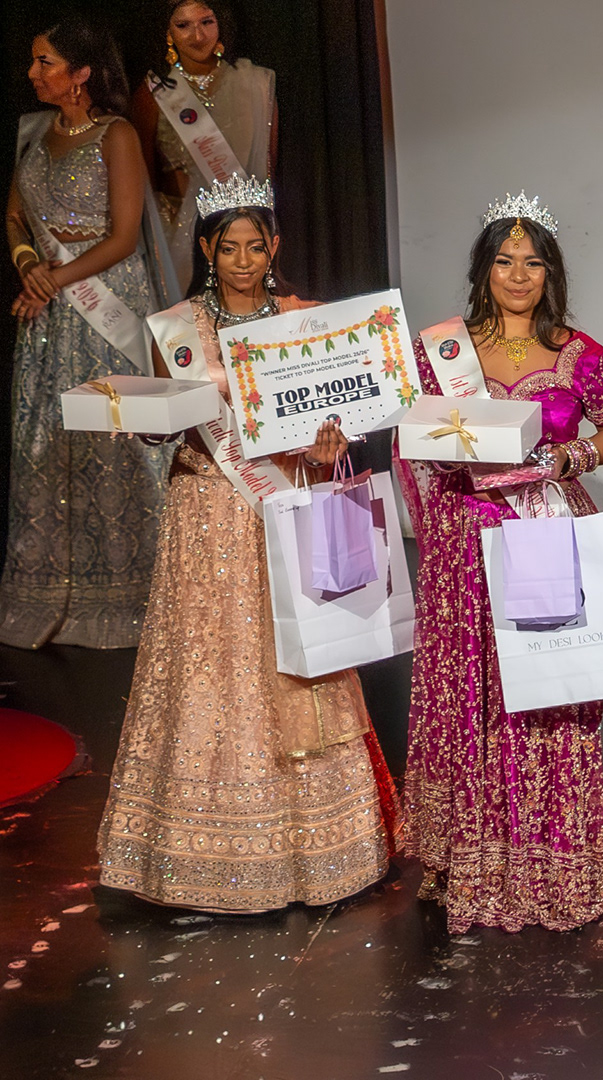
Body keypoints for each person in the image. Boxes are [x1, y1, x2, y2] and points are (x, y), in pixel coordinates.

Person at [97, 175, 393, 912]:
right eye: (227, 247)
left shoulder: (304, 320)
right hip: (205, 506)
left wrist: (332, 444)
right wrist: (141, 419)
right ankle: (197, 846)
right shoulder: (176, 329)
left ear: (275, 246)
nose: (242, 260)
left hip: (286, 500)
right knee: (209, 658)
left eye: (255, 246)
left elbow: (343, 413)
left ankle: (319, 846)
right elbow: (164, 427)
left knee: (296, 657)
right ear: (205, 249)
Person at [396, 193, 603, 933]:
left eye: (533, 262)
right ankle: (466, 858)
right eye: (505, 261)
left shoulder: (579, 351)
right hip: (464, 543)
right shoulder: (444, 353)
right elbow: (412, 436)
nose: (519, 274)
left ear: (551, 272)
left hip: (544, 532)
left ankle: (549, 859)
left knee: (547, 688)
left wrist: (573, 455)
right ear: (484, 270)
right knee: (468, 691)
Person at [4, 18, 172, 650]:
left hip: (105, 306)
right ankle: (49, 589)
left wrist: (52, 279)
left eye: (44, 62)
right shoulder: (33, 132)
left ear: (80, 73)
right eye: (33, 61)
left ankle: (129, 593)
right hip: (47, 312)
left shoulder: (117, 134)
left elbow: (124, 237)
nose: (33, 73)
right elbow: (14, 217)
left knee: (114, 443)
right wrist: (28, 263)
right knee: (45, 444)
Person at [130, 0, 276, 291]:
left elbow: (269, 165)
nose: (197, 36)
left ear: (221, 23)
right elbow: (144, 180)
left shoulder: (255, 83)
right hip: (179, 235)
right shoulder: (154, 92)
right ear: (168, 32)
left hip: (245, 232)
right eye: (183, 25)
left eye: (206, 22)